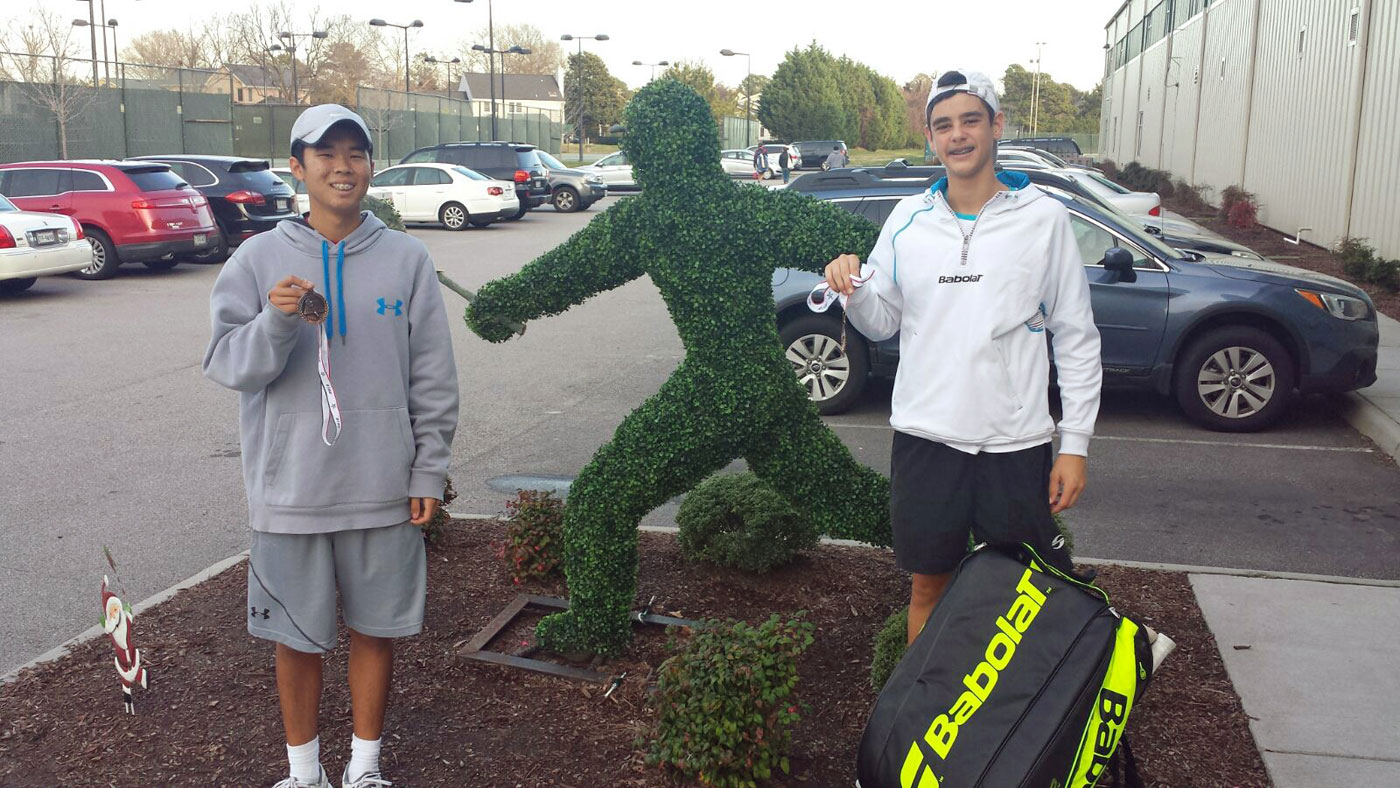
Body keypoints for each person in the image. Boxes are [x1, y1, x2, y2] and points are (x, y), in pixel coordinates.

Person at [203, 104, 460, 788]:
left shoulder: (408, 258)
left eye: (356, 154)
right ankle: (305, 774)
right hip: (291, 491)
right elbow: (230, 366)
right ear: (298, 166)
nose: (343, 167)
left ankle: (365, 770)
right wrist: (275, 322)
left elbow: (433, 376)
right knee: (295, 637)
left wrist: (428, 470)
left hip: (383, 485)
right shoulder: (257, 258)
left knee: (376, 631)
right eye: (326, 154)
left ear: (371, 165)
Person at [824, 70, 1102, 645]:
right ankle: (922, 725)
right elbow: (882, 321)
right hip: (928, 438)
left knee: (1024, 600)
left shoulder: (1044, 219)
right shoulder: (906, 221)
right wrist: (853, 290)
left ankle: (1009, 732)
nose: (958, 135)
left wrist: (1073, 446)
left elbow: (1076, 336)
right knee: (928, 588)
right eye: (943, 125)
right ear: (930, 138)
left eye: (970, 120)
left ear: (997, 126)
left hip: (1014, 442)